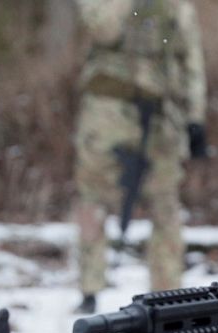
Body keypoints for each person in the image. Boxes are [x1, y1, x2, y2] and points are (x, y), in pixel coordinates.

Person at [72, 0, 207, 314]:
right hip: (106, 112)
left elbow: (191, 57)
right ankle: (89, 288)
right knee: (92, 198)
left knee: (165, 203)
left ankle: (167, 292)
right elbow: (101, 29)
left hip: (160, 114)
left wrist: (196, 117)